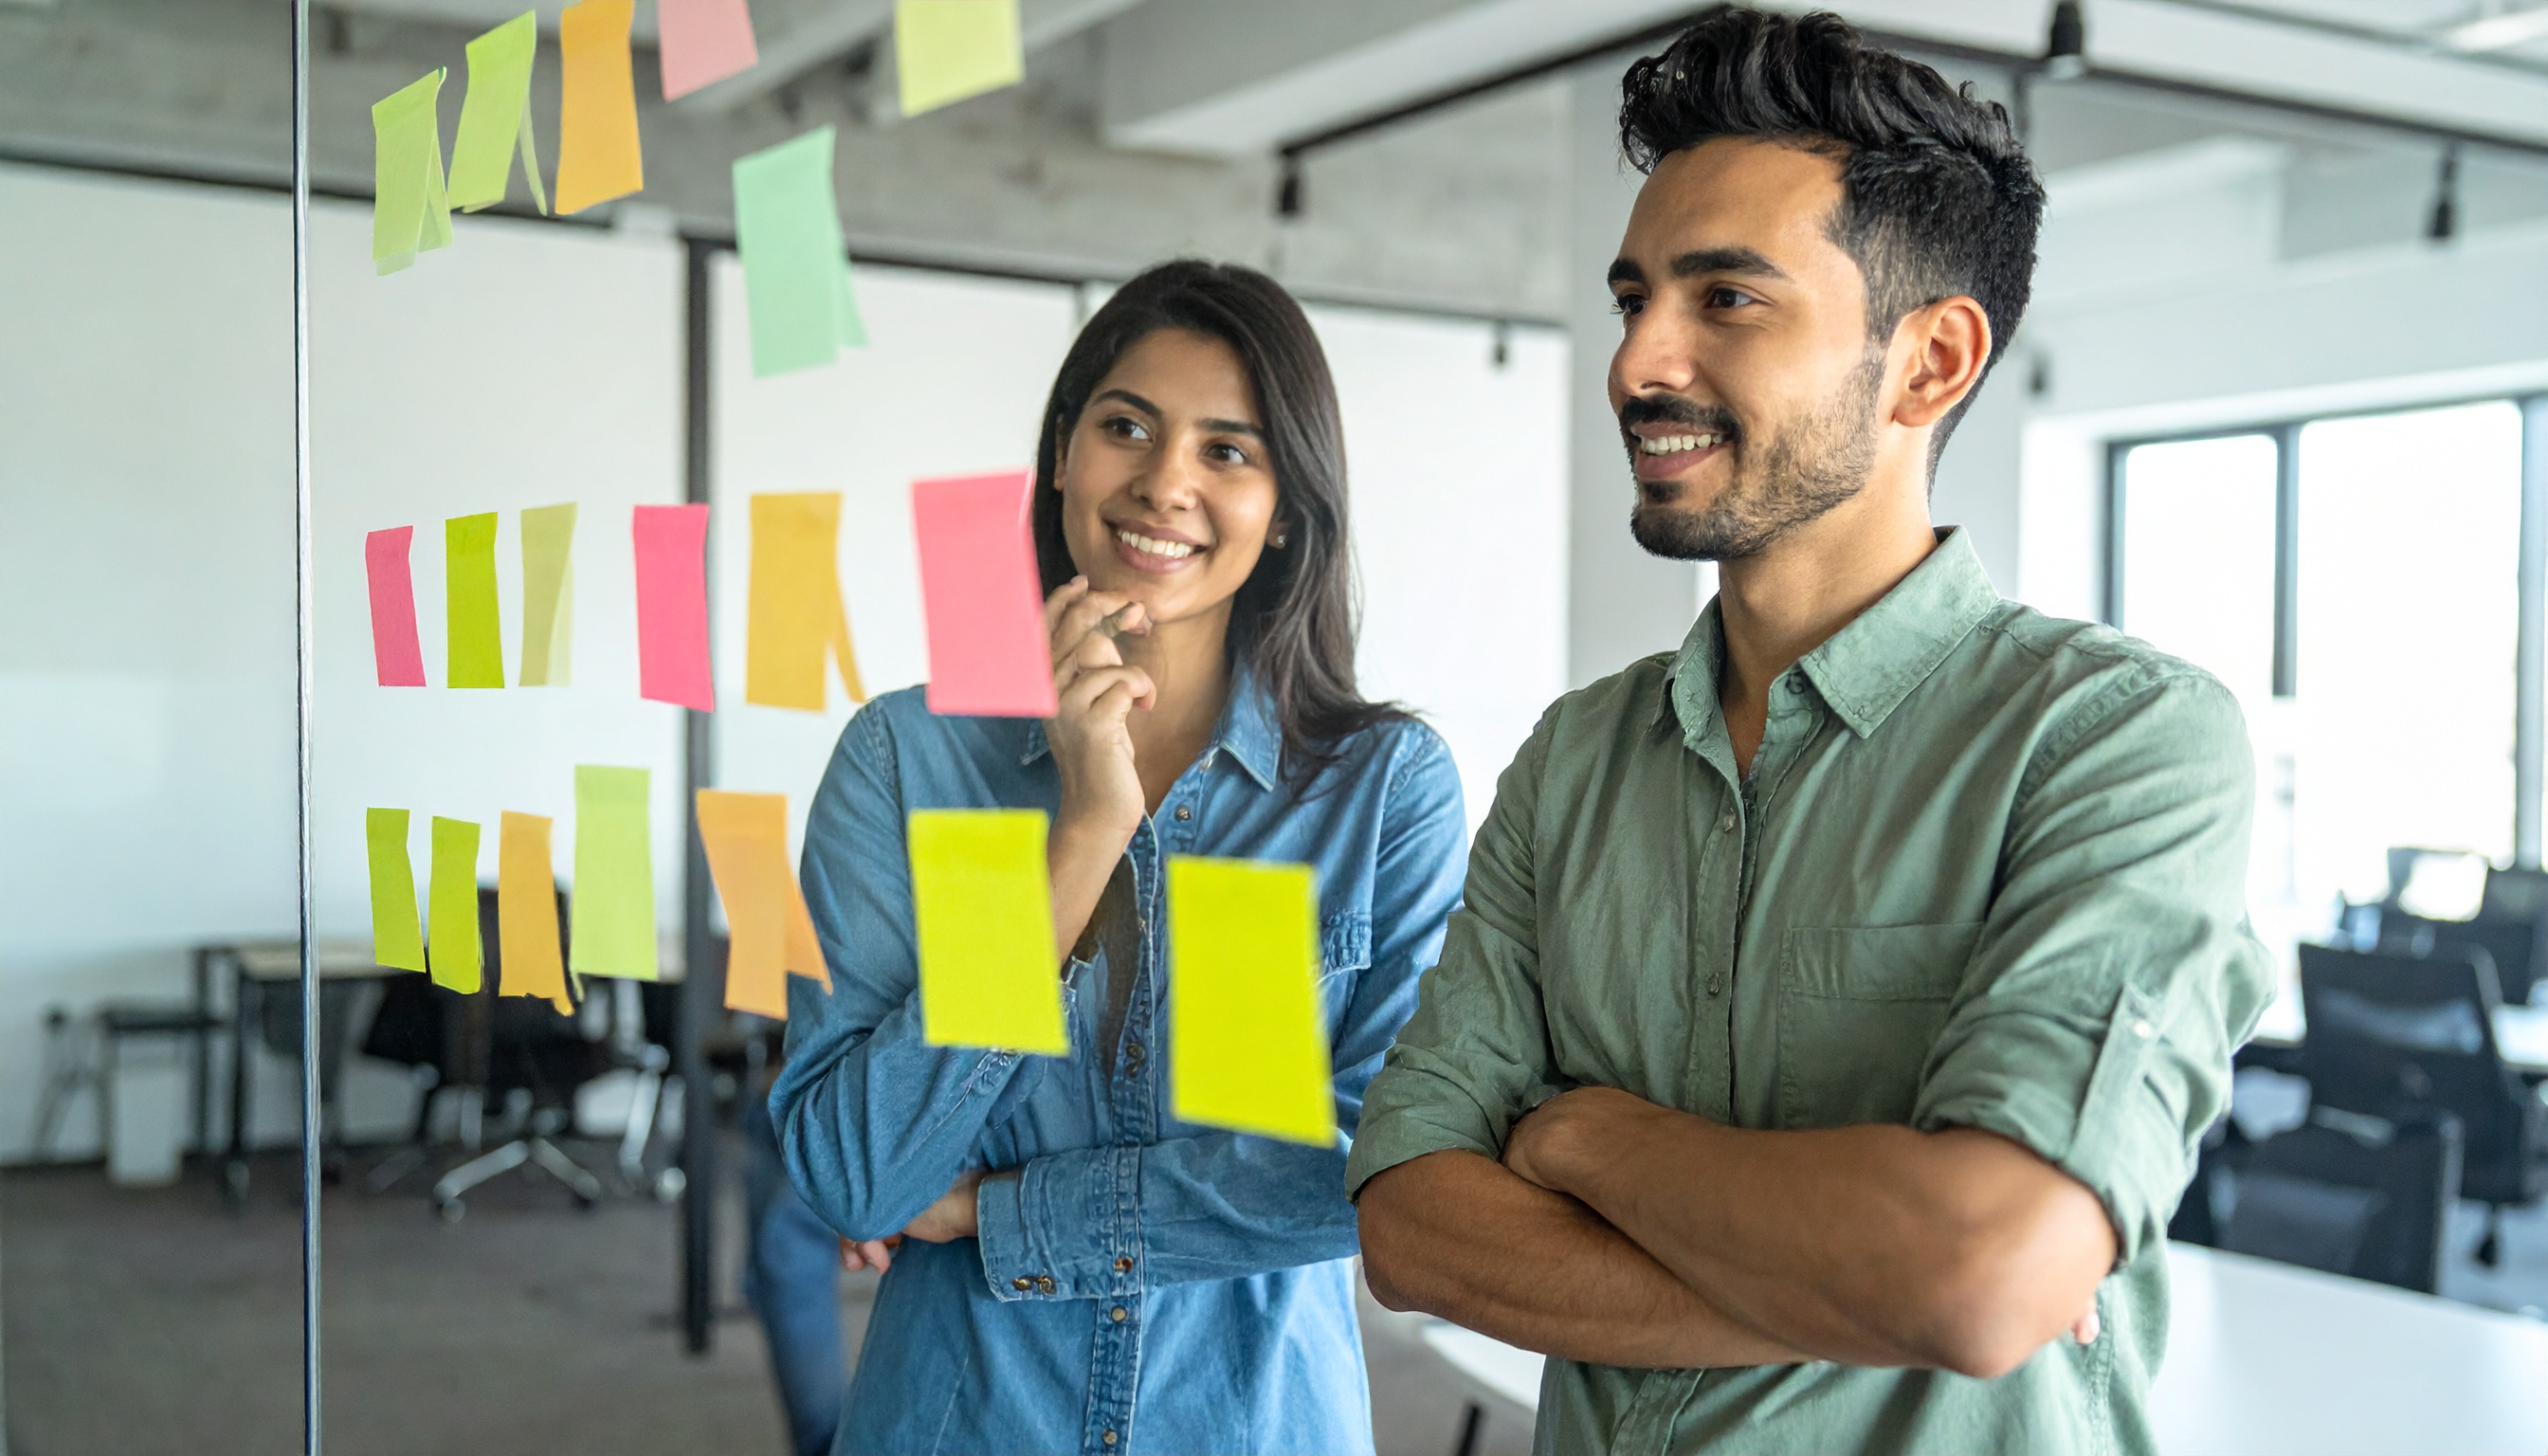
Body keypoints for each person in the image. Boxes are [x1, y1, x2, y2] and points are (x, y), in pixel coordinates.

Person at [1350, 10, 2273, 1455]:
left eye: (1727, 299)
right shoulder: (1576, 760)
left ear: (1929, 363)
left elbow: (1981, 1271)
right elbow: (1412, 1226)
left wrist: (1586, 1136)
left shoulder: (2115, 742)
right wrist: (1875, 1282)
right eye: (1634, 298)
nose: (1638, 363)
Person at [770, 259, 1468, 1455]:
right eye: (1127, 428)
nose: (1165, 483)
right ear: (1062, 455)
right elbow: (854, 1172)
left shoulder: (1379, 793)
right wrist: (1083, 835)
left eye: (1228, 450)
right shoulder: (909, 760)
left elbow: (1380, 1171)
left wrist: (999, 1215)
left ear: (1286, 507)